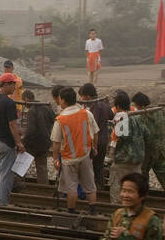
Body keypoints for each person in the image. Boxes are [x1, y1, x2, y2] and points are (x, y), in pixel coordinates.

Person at [51, 85, 99, 213]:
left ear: (63, 100)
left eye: (60, 99)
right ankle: (93, 209)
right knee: (89, 184)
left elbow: (56, 143)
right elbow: (95, 132)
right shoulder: (86, 113)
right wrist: (94, 148)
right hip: (85, 155)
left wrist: (55, 159)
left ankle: (71, 211)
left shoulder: (60, 119)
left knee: (71, 187)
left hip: (68, 159)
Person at [0, 72, 27, 207]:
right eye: (13, 83)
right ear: (6, 84)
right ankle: (2, 203)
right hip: (6, 143)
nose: (15, 86)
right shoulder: (9, 103)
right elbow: (12, 124)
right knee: (6, 174)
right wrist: (18, 142)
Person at [131, 91, 165, 194]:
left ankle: (144, 195)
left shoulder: (141, 116)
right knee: (162, 175)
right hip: (160, 149)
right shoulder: (160, 112)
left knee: (143, 173)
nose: (135, 107)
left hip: (148, 151)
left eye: (136, 105)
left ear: (140, 105)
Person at [106, 89, 145, 190]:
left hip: (124, 160)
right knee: (135, 187)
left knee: (117, 187)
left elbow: (115, 138)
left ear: (117, 106)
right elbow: (146, 134)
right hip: (138, 159)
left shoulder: (121, 119)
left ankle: (117, 206)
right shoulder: (138, 117)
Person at [79, 84, 111, 190]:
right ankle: (100, 186)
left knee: (93, 166)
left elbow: (93, 126)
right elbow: (111, 116)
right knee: (99, 165)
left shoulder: (95, 107)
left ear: (88, 96)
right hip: (104, 139)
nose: (81, 98)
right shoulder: (104, 104)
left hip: (96, 141)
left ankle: (94, 188)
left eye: (82, 96)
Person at [19, 89, 53, 184]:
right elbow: (53, 121)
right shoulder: (47, 108)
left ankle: (18, 184)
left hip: (33, 144)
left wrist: (23, 142)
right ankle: (44, 188)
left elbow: (30, 130)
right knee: (42, 167)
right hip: (45, 142)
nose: (24, 104)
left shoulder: (32, 111)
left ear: (26, 99)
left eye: (23, 101)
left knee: (23, 164)